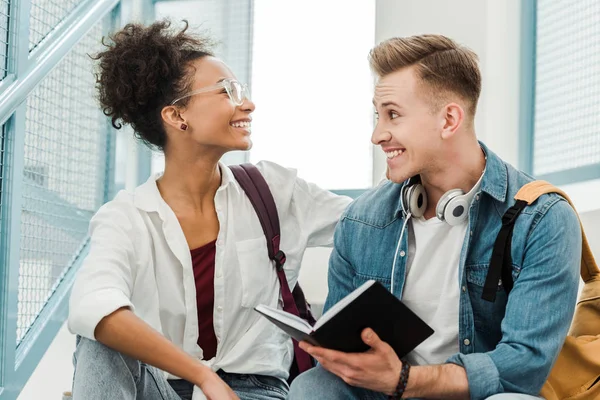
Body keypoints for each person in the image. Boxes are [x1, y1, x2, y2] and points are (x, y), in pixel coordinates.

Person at [67, 20, 351, 400]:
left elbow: (366, 221)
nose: (247, 103)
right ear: (176, 116)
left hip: (257, 391)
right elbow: (93, 304)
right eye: (227, 91)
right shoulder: (127, 218)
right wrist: (202, 376)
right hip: (165, 387)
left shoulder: (275, 191)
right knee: (99, 340)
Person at [288, 34, 582, 400]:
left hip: (478, 395)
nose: (378, 134)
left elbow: (524, 366)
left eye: (393, 114)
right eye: (377, 116)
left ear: (449, 119)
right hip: (383, 395)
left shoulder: (542, 220)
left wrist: (406, 381)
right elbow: (339, 352)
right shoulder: (362, 220)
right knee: (313, 387)